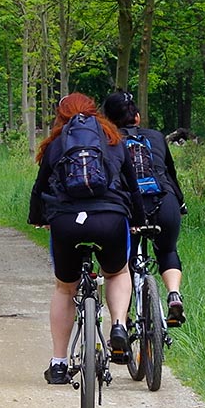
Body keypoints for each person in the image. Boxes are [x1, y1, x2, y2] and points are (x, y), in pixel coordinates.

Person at [28, 93, 145, 385]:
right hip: (110, 219)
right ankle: (118, 325)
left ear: (61, 116)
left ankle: (58, 362)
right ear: (95, 114)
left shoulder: (56, 144)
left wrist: (38, 218)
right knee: (118, 272)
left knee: (65, 289)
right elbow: (133, 187)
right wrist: (138, 221)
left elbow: (39, 188)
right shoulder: (113, 139)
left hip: (67, 222)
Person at [101, 91, 187, 328]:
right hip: (164, 201)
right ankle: (173, 295)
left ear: (107, 119)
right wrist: (180, 204)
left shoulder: (108, 140)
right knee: (167, 250)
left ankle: (123, 321)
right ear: (137, 117)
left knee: (122, 266)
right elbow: (170, 174)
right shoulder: (157, 137)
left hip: (127, 206)